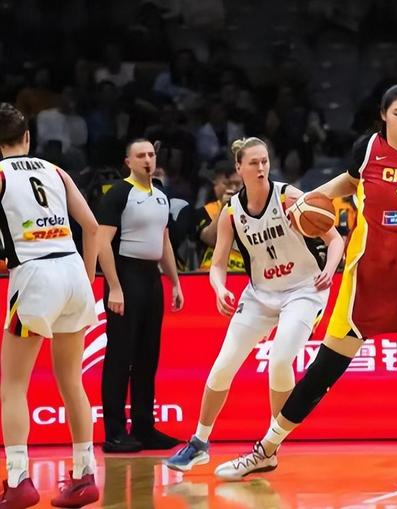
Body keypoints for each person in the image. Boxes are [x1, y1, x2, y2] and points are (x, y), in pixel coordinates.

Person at [214, 83, 397, 484]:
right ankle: (265, 449)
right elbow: (350, 182)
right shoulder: (367, 149)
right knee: (323, 372)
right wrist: (311, 198)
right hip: (366, 280)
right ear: (383, 115)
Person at [165, 137, 344, 471]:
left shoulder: (289, 197)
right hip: (260, 294)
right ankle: (199, 443)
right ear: (239, 168)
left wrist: (330, 269)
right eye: (253, 163)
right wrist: (219, 288)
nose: (261, 168)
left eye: (264, 161)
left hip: (303, 290)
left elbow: (335, 240)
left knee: (280, 360)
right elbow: (218, 264)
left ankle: (269, 448)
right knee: (223, 365)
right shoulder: (231, 212)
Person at [0, 103, 99, 508]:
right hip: (74, 272)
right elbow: (91, 227)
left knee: (12, 386)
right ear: (27, 138)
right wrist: (88, 279)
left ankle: (19, 480)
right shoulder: (55, 171)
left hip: (35, 277)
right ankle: (84, 476)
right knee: (72, 381)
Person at [96, 138, 184, 453]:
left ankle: (144, 428)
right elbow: (101, 242)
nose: (147, 160)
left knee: (148, 356)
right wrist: (114, 286)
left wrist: (175, 282)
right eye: (140, 155)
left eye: (151, 154)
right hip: (126, 275)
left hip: (151, 278)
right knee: (120, 356)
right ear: (128, 162)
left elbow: (165, 241)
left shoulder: (161, 195)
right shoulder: (119, 193)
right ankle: (115, 432)